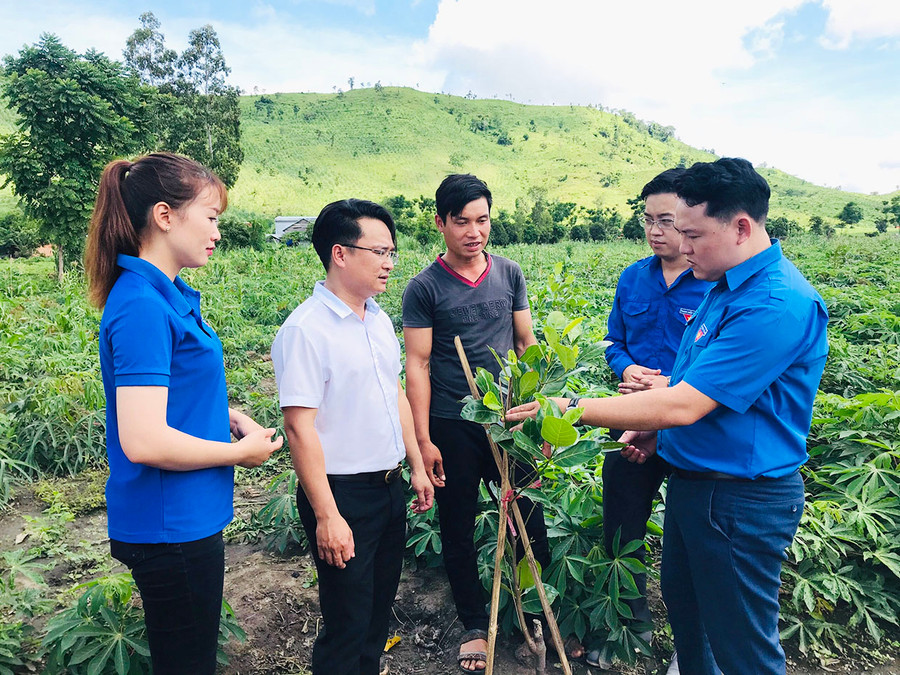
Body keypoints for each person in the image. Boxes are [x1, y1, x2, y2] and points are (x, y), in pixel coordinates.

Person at [507, 157, 829, 675]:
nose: (683, 245)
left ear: (741, 227)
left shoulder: (775, 304)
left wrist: (566, 409)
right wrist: (655, 433)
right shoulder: (726, 286)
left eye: (693, 234)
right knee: (691, 621)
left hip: (739, 500)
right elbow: (690, 386)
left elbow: (683, 402)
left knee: (742, 647)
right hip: (696, 487)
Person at [85, 152, 283, 675]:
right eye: (211, 216)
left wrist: (226, 413)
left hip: (184, 514)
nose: (217, 231)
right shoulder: (143, 307)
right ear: (165, 216)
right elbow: (144, 440)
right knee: (187, 663)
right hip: (169, 523)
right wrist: (238, 453)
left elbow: (168, 396)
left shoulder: (161, 296)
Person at [402, 174, 563, 673]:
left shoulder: (510, 273)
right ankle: (474, 623)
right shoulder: (424, 287)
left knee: (529, 518)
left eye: (482, 220)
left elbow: (525, 344)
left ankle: (531, 615)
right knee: (456, 521)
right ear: (441, 224)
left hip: (506, 419)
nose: (474, 232)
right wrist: (424, 439)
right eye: (462, 222)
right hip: (453, 421)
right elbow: (419, 365)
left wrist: (537, 414)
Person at [271, 198, 434, 675]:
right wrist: (327, 515)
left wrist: (417, 466)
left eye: (392, 252)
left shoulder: (377, 319)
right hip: (342, 494)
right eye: (379, 252)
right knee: (346, 621)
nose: (388, 263)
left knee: (376, 615)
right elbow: (299, 427)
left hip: (388, 486)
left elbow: (396, 395)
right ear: (340, 254)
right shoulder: (305, 330)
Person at [589, 168, 711, 671]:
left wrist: (668, 387)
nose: (656, 230)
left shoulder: (712, 282)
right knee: (622, 524)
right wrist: (627, 367)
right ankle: (626, 623)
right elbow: (613, 342)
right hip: (631, 420)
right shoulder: (633, 276)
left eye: (666, 220)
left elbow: (711, 372)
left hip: (690, 425)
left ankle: (694, 643)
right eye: (648, 220)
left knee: (693, 535)